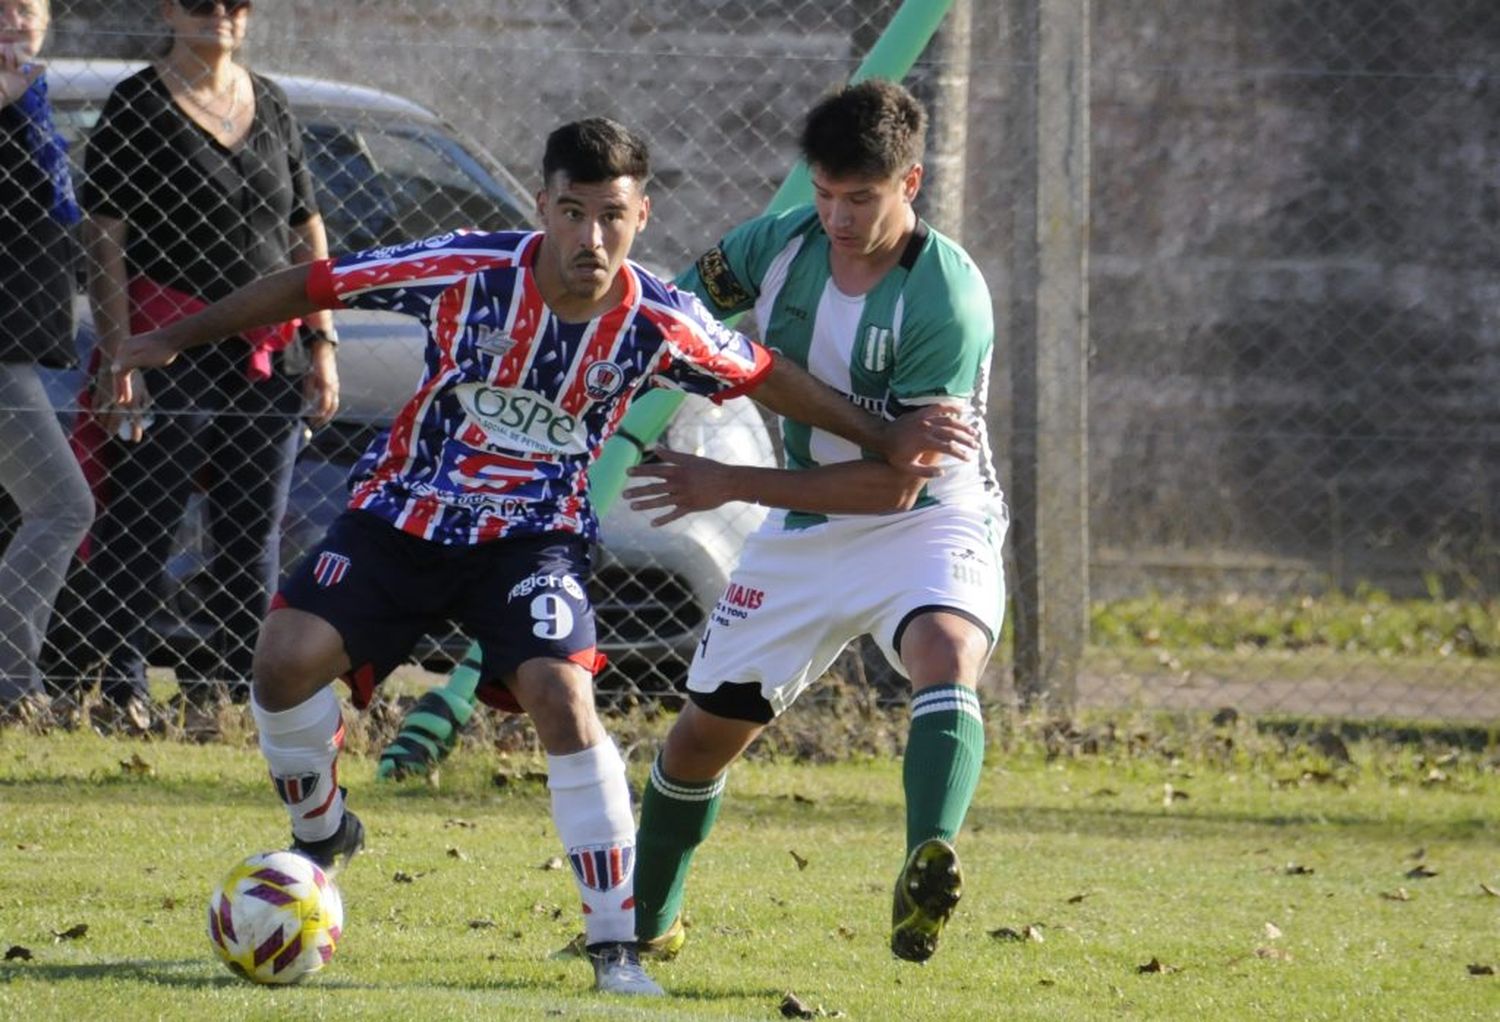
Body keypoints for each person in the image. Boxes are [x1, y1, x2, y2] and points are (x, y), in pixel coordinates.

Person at [112, 117, 973, 995]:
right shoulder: (466, 266)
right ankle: (322, 827)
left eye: (611, 215)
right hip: (403, 515)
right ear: (542, 208)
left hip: (533, 540)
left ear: (642, 215)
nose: (590, 238)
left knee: (565, 696)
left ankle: (616, 951)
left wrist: (882, 431)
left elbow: (763, 373)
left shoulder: (661, 321)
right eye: (571, 212)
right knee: (283, 662)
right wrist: (174, 336)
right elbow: (314, 280)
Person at [625, 80, 1006, 965]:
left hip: (929, 519)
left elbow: (893, 490)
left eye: (860, 198)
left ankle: (926, 860)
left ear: (909, 184)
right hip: (800, 525)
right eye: (824, 193)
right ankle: (647, 926)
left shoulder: (946, 298)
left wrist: (727, 479)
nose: (836, 216)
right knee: (698, 743)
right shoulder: (779, 242)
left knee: (946, 653)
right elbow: (675, 315)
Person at [48, 0, 338, 726]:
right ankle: (123, 688)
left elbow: (306, 228)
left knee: (252, 536)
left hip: (267, 358)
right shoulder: (137, 104)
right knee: (142, 524)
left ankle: (235, 694)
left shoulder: (268, 101)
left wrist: (323, 342)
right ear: (170, 12)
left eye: (236, 4)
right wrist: (120, 353)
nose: (222, 16)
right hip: (165, 346)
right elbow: (105, 235)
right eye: (202, 3)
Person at [0, 0, 95, 719]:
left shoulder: (31, 93)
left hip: (19, 344)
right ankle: (10, 681)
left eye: (27, 8)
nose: (15, 20)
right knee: (63, 505)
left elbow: (57, 211)